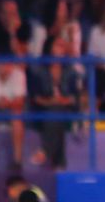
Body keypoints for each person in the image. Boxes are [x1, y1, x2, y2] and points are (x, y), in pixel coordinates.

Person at [31, 36, 84, 169]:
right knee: (56, 113)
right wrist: (51, 102)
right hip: (44, 110)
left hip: (66, 109)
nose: (61, 49)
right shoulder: (39, 70)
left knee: (58, 112)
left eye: (63, 46)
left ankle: (45, 150)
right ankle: (59, 163)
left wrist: (64, 100)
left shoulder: (70, 70)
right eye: (58, 45)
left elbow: (76, 97)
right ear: (50, 48)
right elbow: (35, 97)